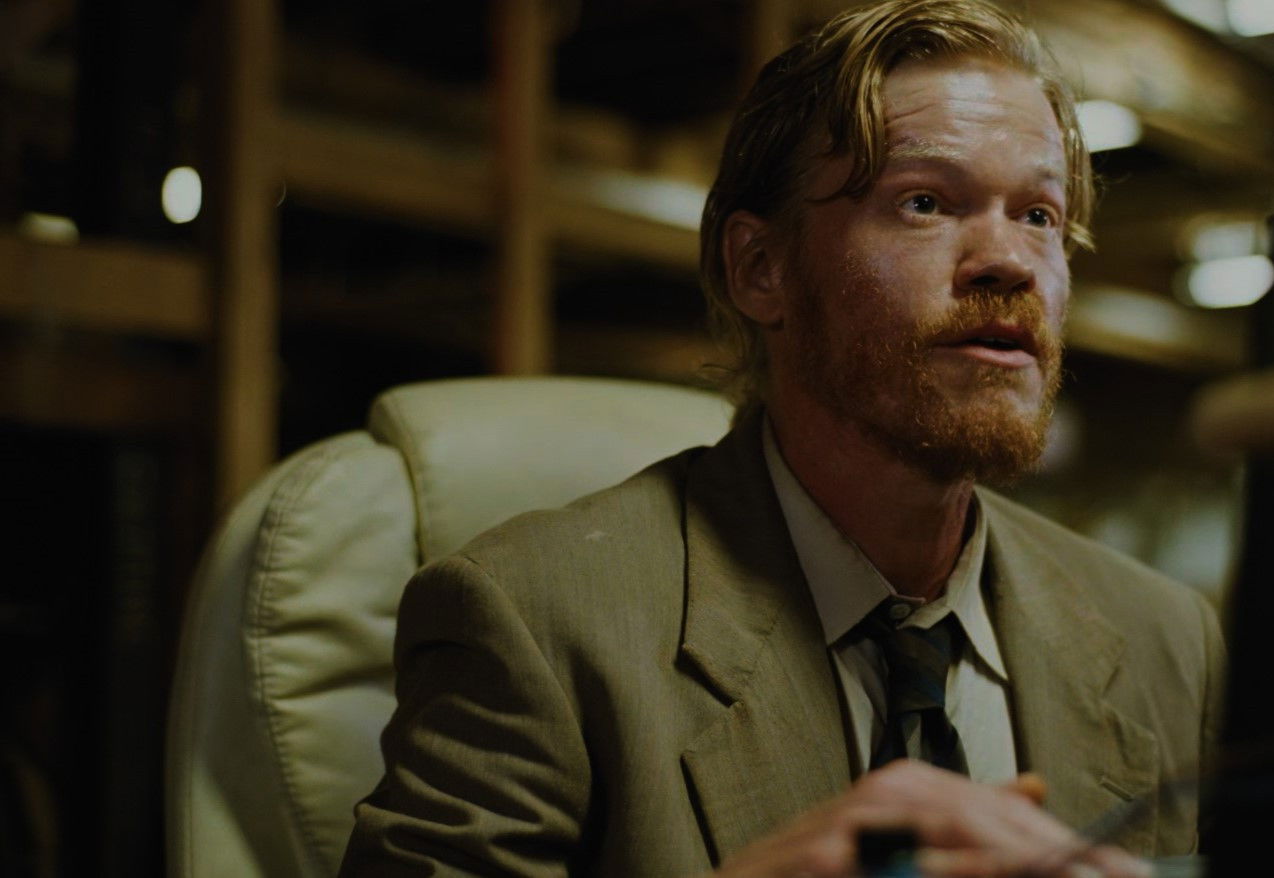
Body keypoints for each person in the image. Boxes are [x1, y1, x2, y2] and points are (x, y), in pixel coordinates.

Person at [340, 1, 1224, 875]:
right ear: (761, 270)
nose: (1009, 260)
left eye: (1039, 215)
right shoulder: (531, 620)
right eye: (924, 202)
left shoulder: (1165, 639)